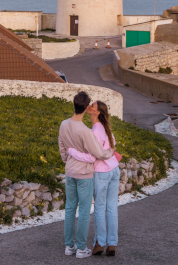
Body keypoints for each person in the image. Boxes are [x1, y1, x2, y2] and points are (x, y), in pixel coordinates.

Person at [58, 92, 114, 259]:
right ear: (86, 107)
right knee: (83, 212)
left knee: (69, 209)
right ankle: (81, 248)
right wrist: (111, 151)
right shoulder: (85, 131)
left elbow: (62, 147)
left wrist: (67, 160)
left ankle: (69, 246)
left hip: (70, 171)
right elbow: (99, 153)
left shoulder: (63, 124)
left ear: (74, 105)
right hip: (84, 175)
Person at [68, 100, 120, 257]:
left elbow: (91, 157)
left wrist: (72, 152)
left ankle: (99, 243)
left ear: (97, 113)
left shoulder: (96, 130)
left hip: (102, 172)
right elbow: (113, 143)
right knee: (111, 208)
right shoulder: (105, 127)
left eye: (92, 106)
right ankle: (112, 244)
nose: (89, 106)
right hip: (114, 169)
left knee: (99, 208)